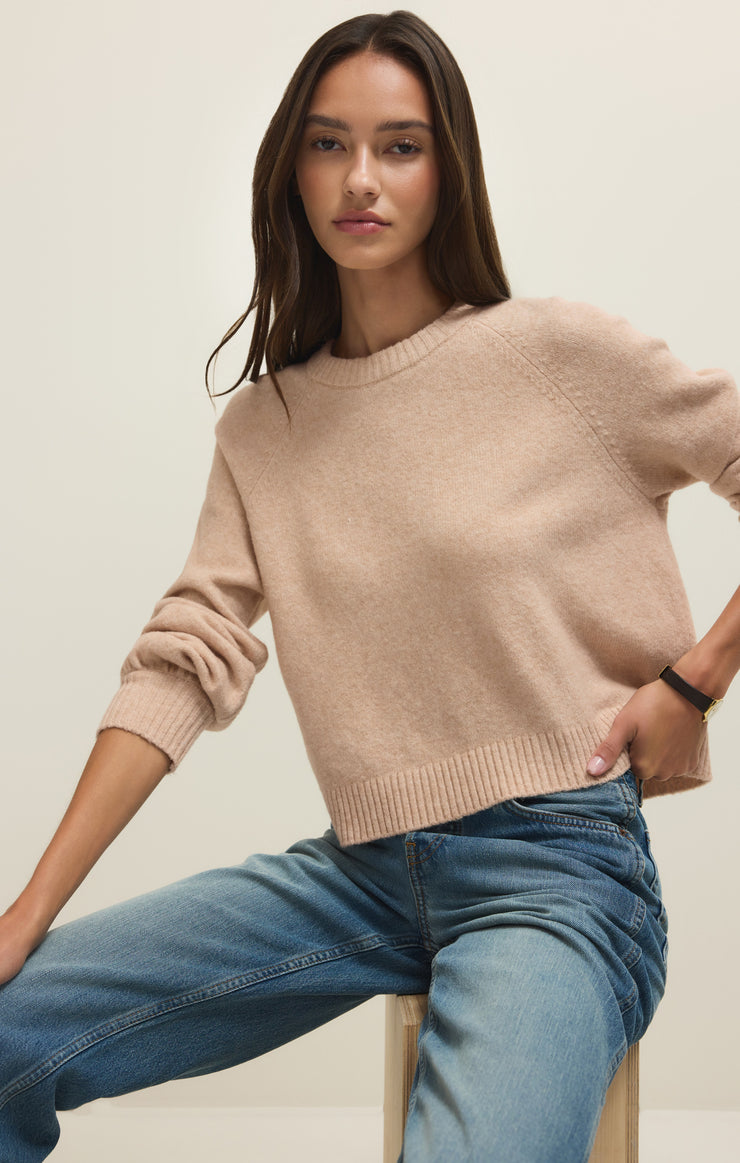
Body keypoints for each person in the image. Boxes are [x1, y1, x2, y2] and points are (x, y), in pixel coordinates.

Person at [1, 9, 738, 1162]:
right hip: (362, 869)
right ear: (289, 169)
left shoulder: (557, 354)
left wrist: (694, 680)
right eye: (326, 142)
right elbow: (179, 664)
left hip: (559, 868)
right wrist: (26, 913)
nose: (359, 178)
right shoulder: (266, 427)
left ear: (449, 168)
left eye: (399, 145)